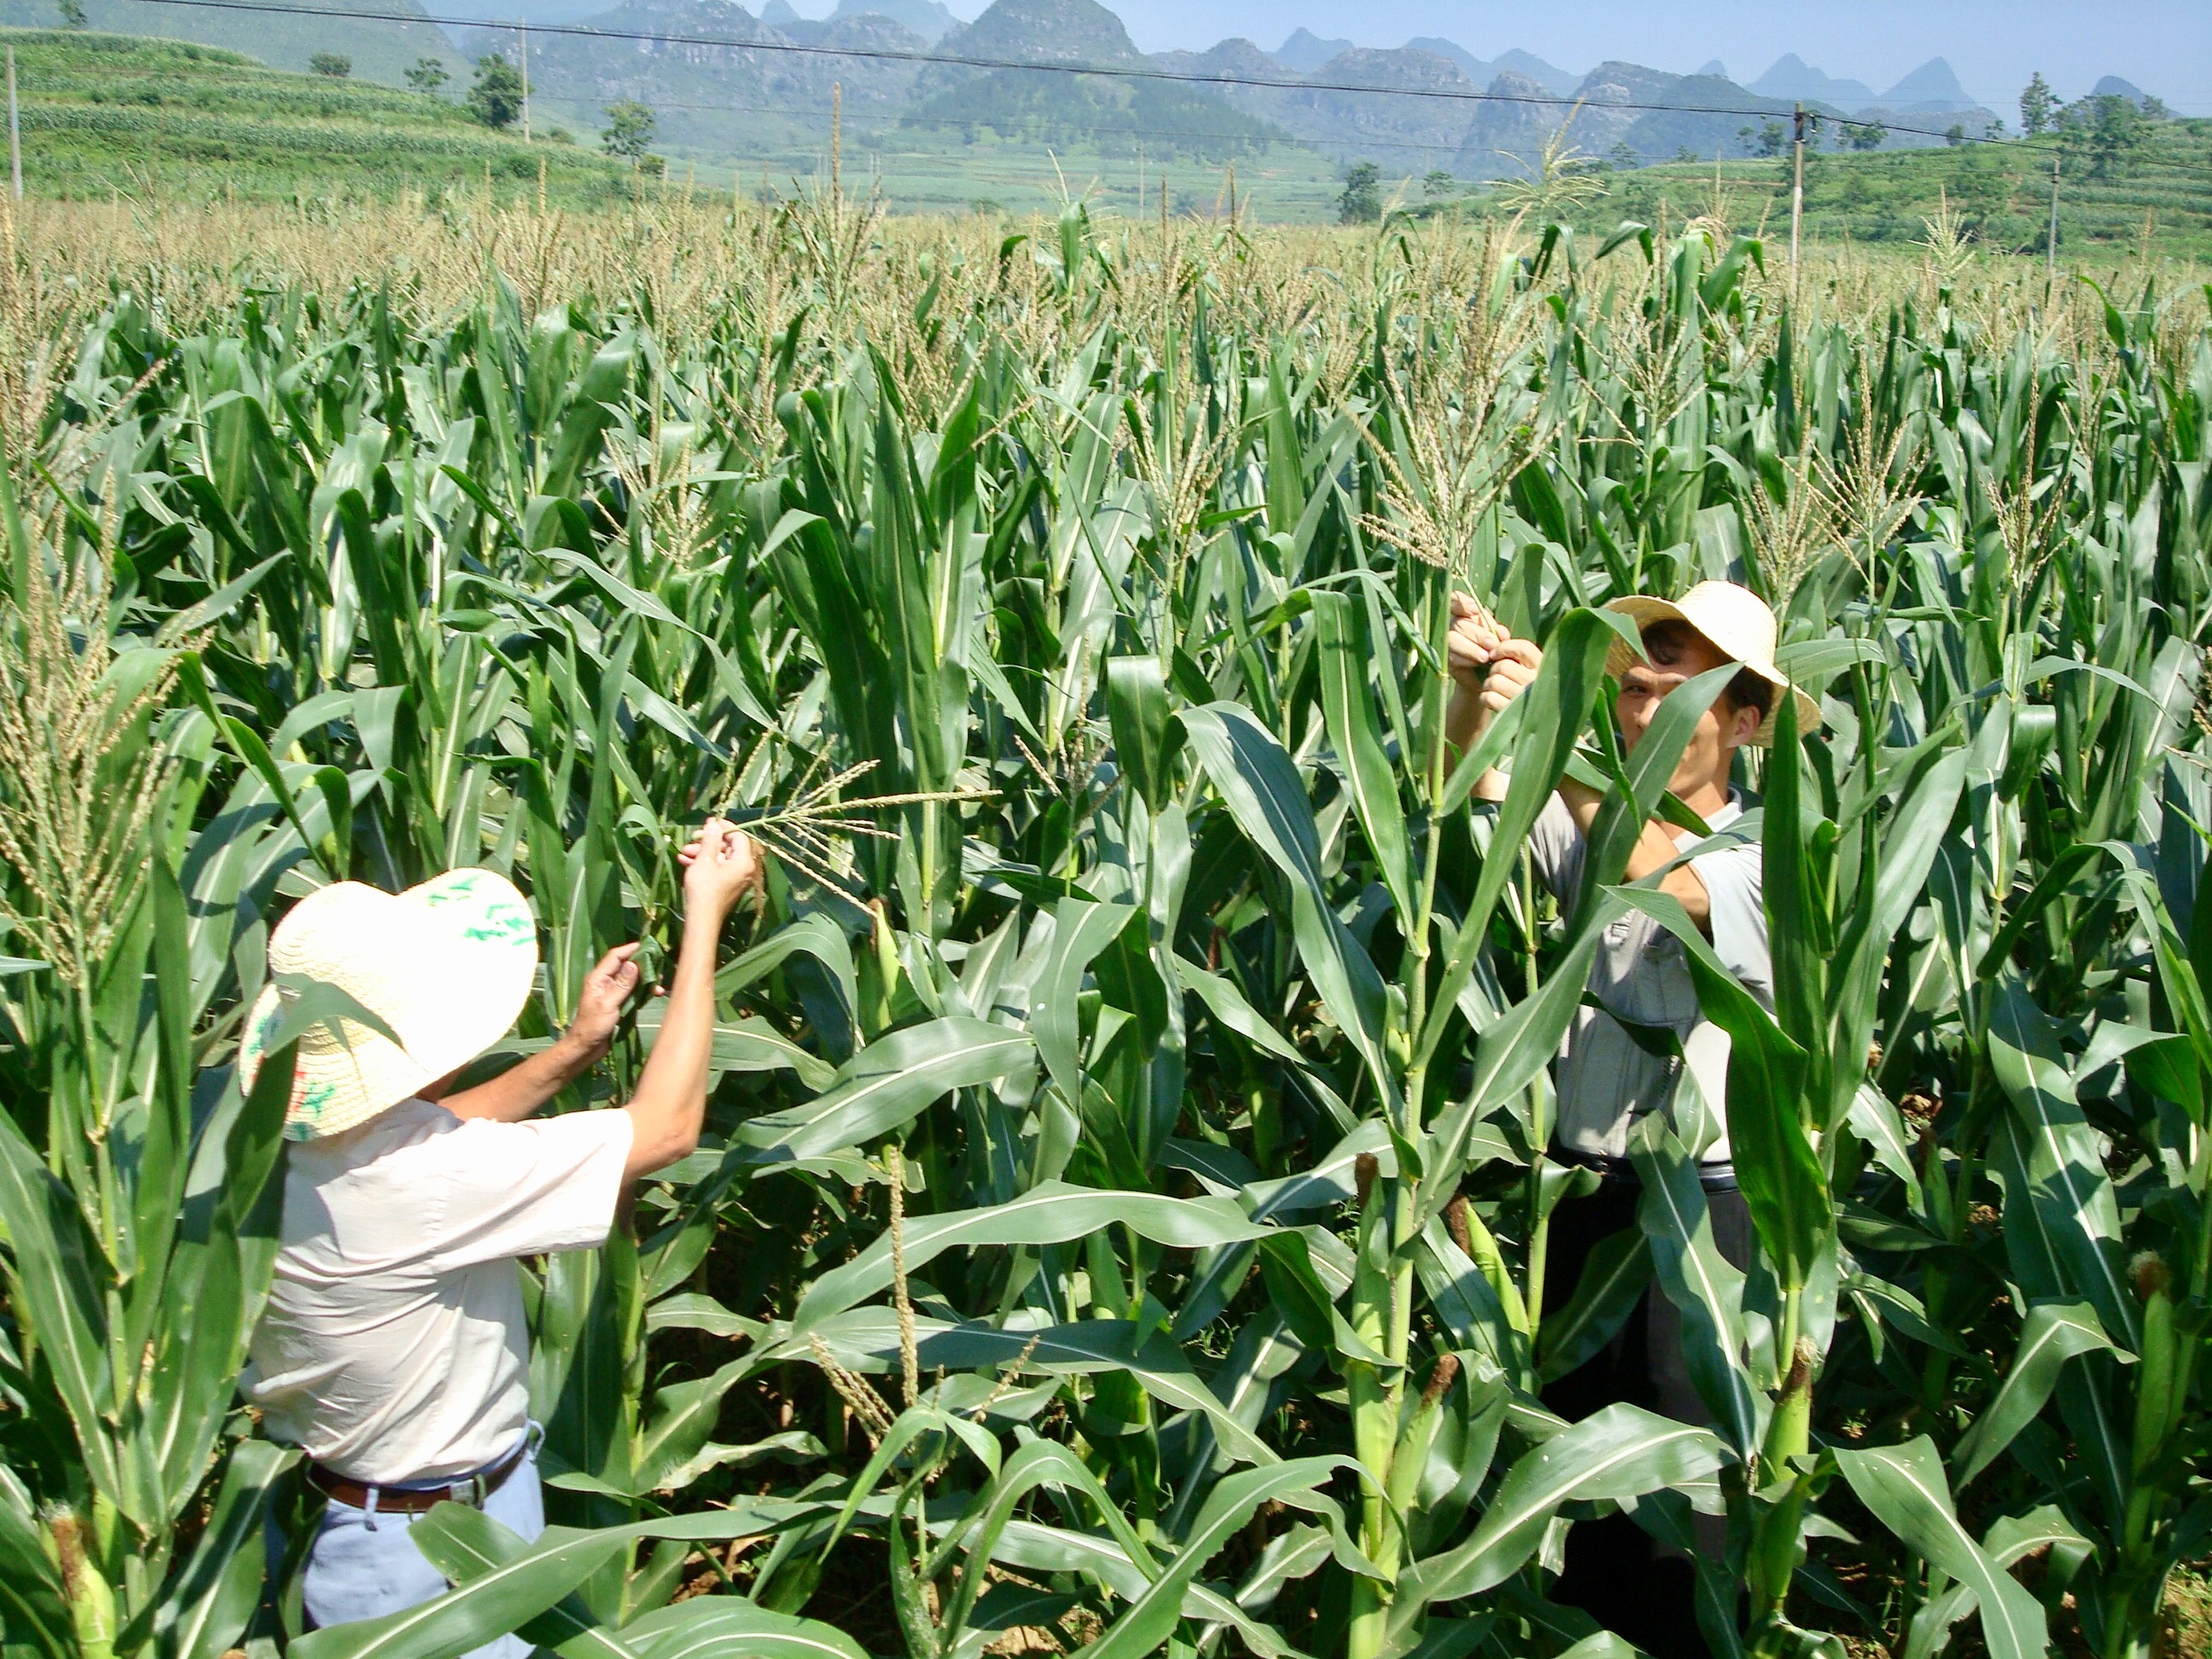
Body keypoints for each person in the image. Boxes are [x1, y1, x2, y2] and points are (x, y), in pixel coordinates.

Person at [240, 820, 763, 1655]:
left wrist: (574, 1050)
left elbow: (433, 1134)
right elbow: (666, 1131)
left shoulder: (279, 1144)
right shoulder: (428, 1182)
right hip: (427, 1557)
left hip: (350, 1519)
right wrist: (706, 920)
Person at [1443, 580, 1820, 1658]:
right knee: (1572, 1506)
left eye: (1677, 692)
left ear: (1746, 722)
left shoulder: (1766, 856)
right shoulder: (1584, 809)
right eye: (1632, 685)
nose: (1641, 708)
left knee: (1678, 1529)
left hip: (1702, 1229)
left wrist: (1552, 731)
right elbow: (1449, 797)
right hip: (1580, 1212)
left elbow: (1652, 870)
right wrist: (1472, 701)